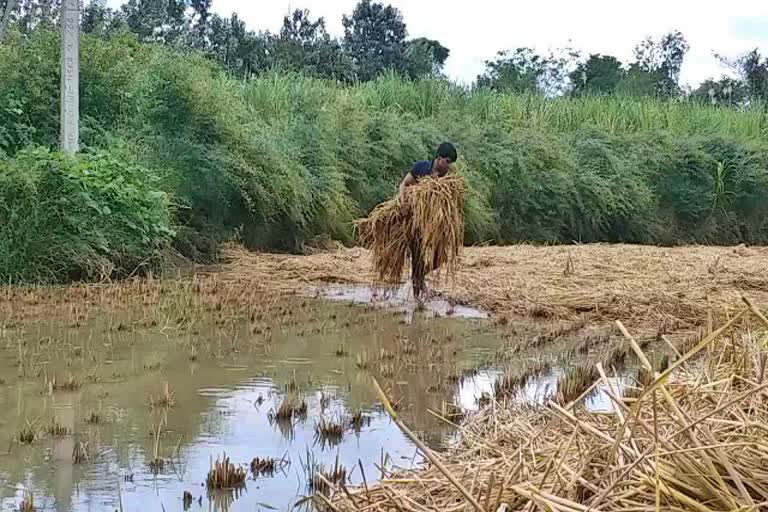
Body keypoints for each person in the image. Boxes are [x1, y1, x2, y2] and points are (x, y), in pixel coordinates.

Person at [397, 142, 458, 298]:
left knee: (441, 257)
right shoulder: (421, 168)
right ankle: (416, 299)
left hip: (434, 225)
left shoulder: (447, 179)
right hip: (415, 222)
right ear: (439, 158)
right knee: (417, 257)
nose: (449, 166)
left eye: (450, 163)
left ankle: (418, 277)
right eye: (447, 162)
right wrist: (403, 203)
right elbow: (403, 184)